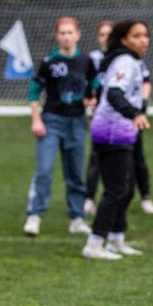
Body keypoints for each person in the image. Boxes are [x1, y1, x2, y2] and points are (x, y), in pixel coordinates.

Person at [82, 20, 150, 260]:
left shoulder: (133, 62)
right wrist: (136, 113)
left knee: (127, 188)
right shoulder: (124, 61)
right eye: (136, 36)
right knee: (116, 190)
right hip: (110, 130)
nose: (144, 40)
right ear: (124, 40)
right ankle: (94, 243)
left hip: (122, 130)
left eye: (145, 35)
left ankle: (115, 239)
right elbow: (113, 93)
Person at [23, 16, 97, 237]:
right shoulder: (49, 62)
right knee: (44, 171)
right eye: (62, 33)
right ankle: (34, 215)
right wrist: (36, 119)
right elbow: (34, 93)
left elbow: (94, 85)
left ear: (78, 34)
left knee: (75, 173)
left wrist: (91, 99)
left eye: (70, 32)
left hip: (76, 123)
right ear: (56, 36)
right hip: (51, 122)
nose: (66, 36)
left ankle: (76, 218)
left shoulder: (86, 60)